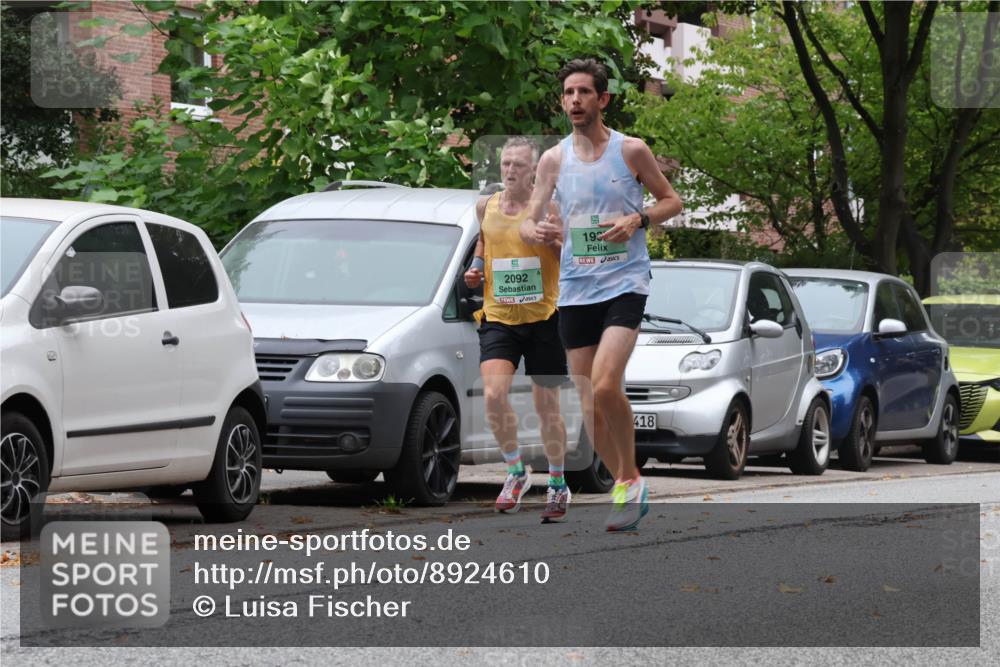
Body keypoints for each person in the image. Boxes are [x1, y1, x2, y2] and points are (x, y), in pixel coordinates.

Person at [520, 58, 683, 531]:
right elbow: (530, 219)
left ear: (602, 99)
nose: (575, 100)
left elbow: (672, 200)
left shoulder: (630, 150)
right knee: (588, 397)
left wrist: (638, 219)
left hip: (625, 282)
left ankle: (629, 477)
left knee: (607, 383)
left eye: (584, 92)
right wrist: (537, 230)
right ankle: (627, 483)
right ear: (562, 101)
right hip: (576, 287)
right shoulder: (553, 160)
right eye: (569, 93)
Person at [464, 136, 571, 522]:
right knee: (493, 395)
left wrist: (553, 240)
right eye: (506, 163)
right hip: (499, 317)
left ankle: (557, 482)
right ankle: (515, 472)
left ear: (534, 172)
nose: (510, 170)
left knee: (547, 408)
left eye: (519, 165)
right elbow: (485, 240)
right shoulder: (486, 205)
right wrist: (476, 268)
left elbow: (569, 257)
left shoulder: (550, 208)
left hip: (544, 318)